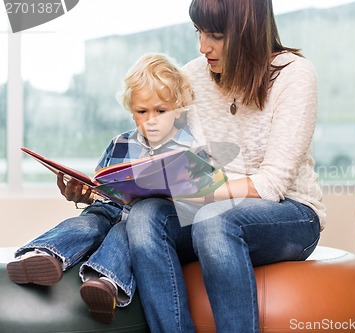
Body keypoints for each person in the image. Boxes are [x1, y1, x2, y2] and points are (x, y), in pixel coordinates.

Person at [124, 0, 327, 332]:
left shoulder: (294, 75)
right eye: (199, 32)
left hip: (290, 212)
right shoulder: (190, 76)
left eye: (215, 35)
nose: (203, 47)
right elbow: (167, 147)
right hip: (212, 205)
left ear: (248, 31)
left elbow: (272, 184)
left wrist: (197, 192)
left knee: (212, 221)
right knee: (145, 217)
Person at [6, 53, 195, 323]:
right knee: (88, 223)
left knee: (124, 231)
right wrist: (82, 193)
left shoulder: (188, 147)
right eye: (142, 111)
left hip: (146, 221)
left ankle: (104, 282)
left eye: (161, 111)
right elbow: (102, 185)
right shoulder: (119, 143)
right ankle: (44, 255)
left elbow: (196, 201)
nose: (151, 120)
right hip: (108, 209)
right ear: (132, 111)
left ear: (179, 110)